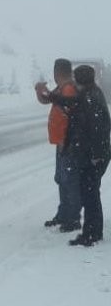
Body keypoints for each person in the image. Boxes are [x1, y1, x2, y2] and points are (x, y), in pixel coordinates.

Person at [38, 64, 111, 246]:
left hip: (95, 155)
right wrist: (52, 96)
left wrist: (95, 155)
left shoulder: (91, 98)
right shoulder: (89, 94)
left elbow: (98, 129)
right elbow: (69, 102)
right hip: (94, 153)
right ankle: (92, 232)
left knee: (90, 194)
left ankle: (92, 234)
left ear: (80, 80)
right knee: (90, 193)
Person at [34, 58, 80, 231]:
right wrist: (40, 91)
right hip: (62, 142)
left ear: (57, 72)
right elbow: (48, 100)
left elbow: (64, 107)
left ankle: (73, 217)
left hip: (67, 143)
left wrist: (66, 140)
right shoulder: (62, 88)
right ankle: (64, 213)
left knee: (69, 180)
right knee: (62, 179)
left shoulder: (68, 89)